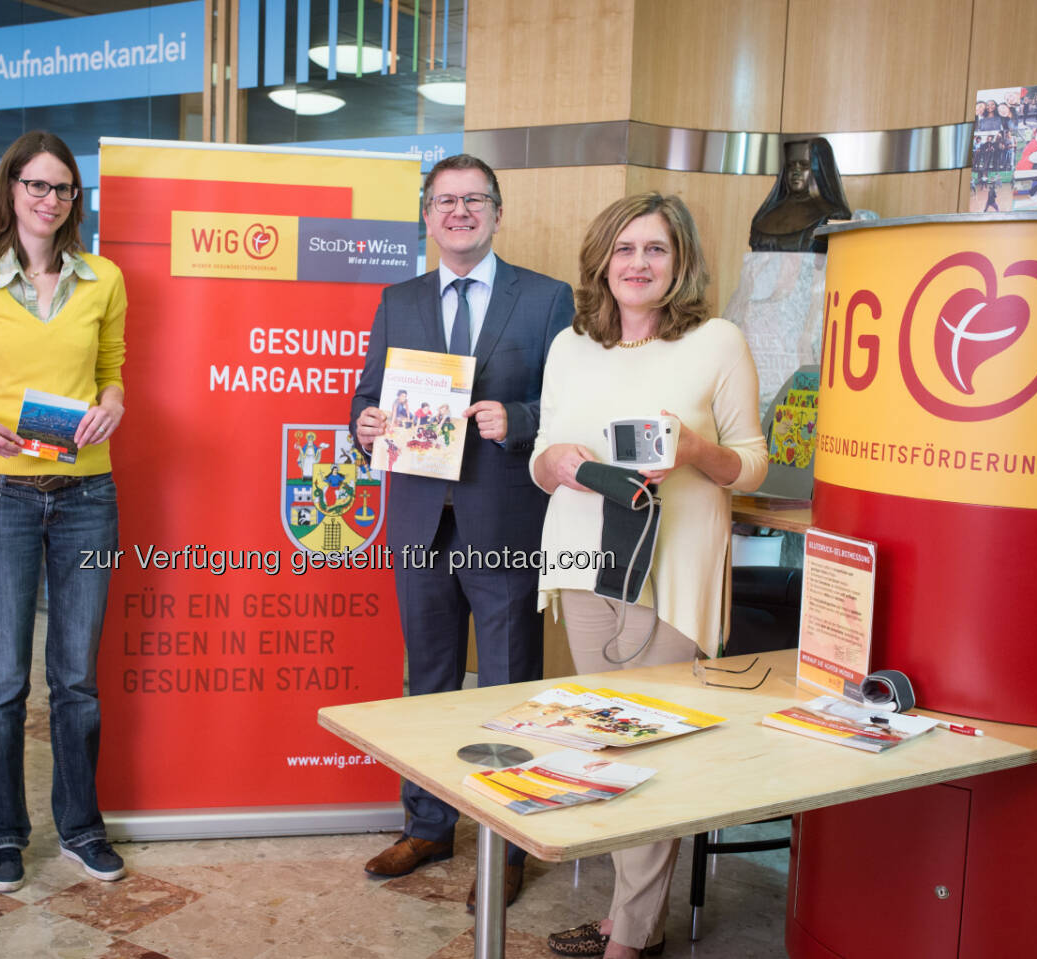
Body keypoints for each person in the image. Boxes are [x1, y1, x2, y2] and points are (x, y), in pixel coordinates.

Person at [530, 193, 766, 958]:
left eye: (655, 249)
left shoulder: (718, 342)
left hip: (674, 566)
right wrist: (555, 463)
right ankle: (628, 916)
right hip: (581, 557)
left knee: (651, 747)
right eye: (625, 248)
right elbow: (541, 454)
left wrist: (697, 451)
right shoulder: (571, 345)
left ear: (681, 260)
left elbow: (751, 461)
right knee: (603, 739)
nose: (637, 263)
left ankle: (628, 937)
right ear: (603, 258)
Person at [351, 153, 574, 911]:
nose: (458, 212)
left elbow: (572, 408)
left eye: (473, 199)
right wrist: (366, 424)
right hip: (418, 520)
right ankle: (428, 823)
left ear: (497, 212)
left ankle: (505, 841)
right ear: (426, 214)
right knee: (428, 685)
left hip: (504, 519)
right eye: (444, 200)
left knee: (509, 688)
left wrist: (523, 422)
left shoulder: (545, 300)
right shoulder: (398, 299)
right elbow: (366, 399)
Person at [0, 131, 127, 893]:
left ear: (76, 200)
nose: (50, 200)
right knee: (2, 680)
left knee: (76, 678)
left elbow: (112, 372)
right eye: (37, 185)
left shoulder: (103, 278)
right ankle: (3, 834)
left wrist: (113, 407)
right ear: (10, 189)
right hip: (0, 496)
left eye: (64, 189)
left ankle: (80, 826)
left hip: (87, 494)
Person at [748, 138, 851, 253]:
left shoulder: (834, 217)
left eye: (804, 165)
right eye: (791, 165)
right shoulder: (765, 216)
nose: (796, 172)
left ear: (820, 168)